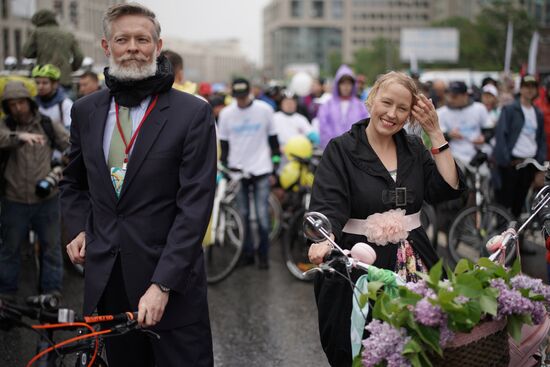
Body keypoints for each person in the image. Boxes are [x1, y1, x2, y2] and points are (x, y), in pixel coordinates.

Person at [60, 4, 216, 366]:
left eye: (142, 39)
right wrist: (78, 227)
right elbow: (72, 182)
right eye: (122, 39)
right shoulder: (86, 111)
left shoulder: (192, 114)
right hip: (108, 282)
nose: (133, 47)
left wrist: (163, 285)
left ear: (158, 46)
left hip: (171, 283)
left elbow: (194, 207)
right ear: (106, 46)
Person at [307, 71, 465, 366]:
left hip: (413, 264)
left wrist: (435, 133)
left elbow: (446, 188)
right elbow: (328, 205)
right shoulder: (341, 149)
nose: (392, 114)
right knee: (360, 350)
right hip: (358, 266)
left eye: (402, 109)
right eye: (387, 102)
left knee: (424, 348)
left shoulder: (414, 148)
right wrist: (323, 239)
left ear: (410, 115)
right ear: (371, 99)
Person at [0, 81, 69, 299]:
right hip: (14, 199)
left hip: (47, 199)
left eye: (21, 103)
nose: (18, 108)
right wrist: (19, 137)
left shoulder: (46, 124)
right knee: (10, 250)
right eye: (12, 104)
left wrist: (63, 165)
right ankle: (7, 296)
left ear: (30, 103)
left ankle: (51, 294)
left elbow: (70, 144)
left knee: (51, 249)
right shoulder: (6, 126)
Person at [218, 77, 280, 269]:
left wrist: (275, 167)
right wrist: (226, 168)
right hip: (238, 170)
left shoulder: (264, 110)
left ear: (250, 92)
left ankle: (263, 255)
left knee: (262, 216)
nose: (241, 101)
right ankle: (246, 254)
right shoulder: (227, 114)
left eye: (244, 96)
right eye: (238, 97)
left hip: (260, 168)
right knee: (242, 214)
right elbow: (224, 145)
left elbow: (273, 141)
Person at [493, 74, 546, 219]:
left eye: (533, 87)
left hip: (530, 163)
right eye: (526, 87)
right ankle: (500, 238)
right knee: (504, 205)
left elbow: (541, 139)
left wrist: (540, 162)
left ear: (536, 90)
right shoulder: (510, 110)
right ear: (521, 89)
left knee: (519, 206)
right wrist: (505, 160)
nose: (529, 90)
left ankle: (515, 238)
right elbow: (501, 135)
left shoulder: (537, 113)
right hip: (512, 163)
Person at [23, 9, 83, 90]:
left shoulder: (37, 32)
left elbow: (26, 53)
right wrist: (70, 68)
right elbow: (79, 56)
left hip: (44, 80)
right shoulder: (67, 34)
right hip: (64, 79)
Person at [437, 81, 489, 165]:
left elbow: (489, 130)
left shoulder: (479, 108)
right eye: (449, 96)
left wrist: (484, 138)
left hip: (476, 154)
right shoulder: (441, 112)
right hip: (454, 156)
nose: (450, 99)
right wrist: (449, 135)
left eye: (454, 96)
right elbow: (436, 137)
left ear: (465, 95)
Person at [317, 65, 369, 148]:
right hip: (333, 151)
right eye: (343, 83)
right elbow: (323, 128)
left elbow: (365, 128)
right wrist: (334, 146)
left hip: (355, 151)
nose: (346, 86)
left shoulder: (360, 107)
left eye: (349, 83)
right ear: (338, 85)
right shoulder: (327, 106)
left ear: (353, 85)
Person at [32, 64, 73, 130]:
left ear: (55, 84)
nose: (40, 87)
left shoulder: (65, 104)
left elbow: (70, 131)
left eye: (45, 83)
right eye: (37, 83)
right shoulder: (33, 104)